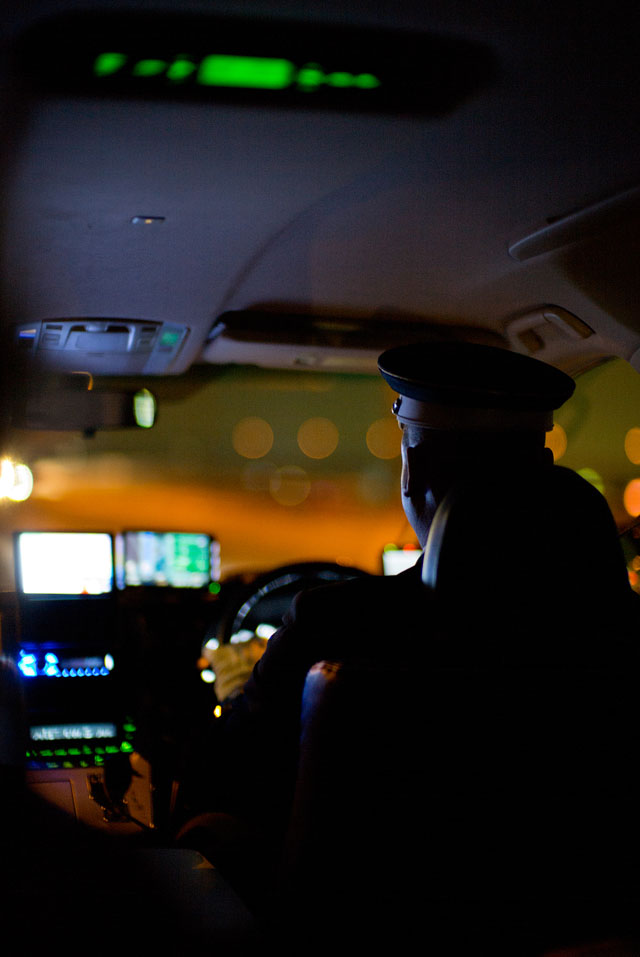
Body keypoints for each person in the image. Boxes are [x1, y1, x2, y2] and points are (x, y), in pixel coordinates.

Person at [182, 341, 618, 891]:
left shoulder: (335, 623)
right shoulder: (621, 635)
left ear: (415, 473)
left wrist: (240, 688)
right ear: (547, 470)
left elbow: (224, 770)